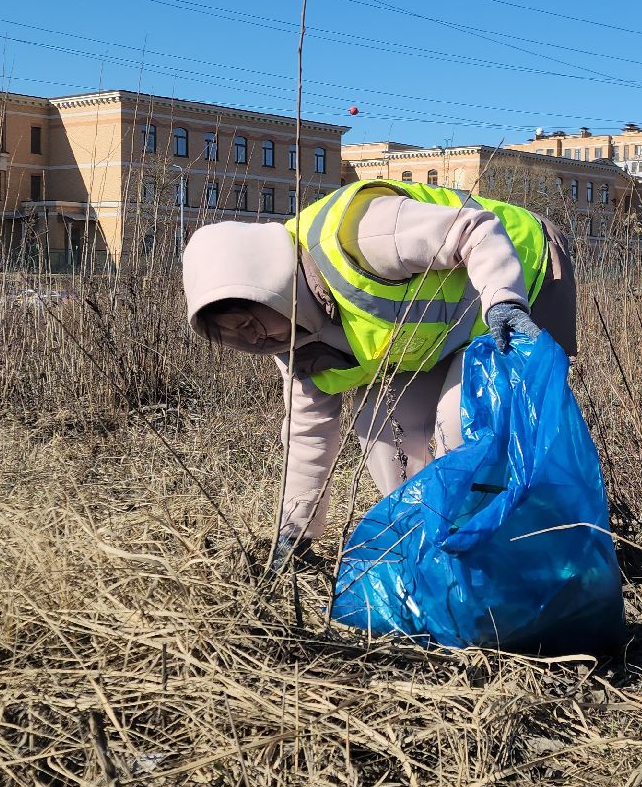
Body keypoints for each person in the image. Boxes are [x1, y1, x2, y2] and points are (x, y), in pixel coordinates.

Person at [182, 177, 577, 572]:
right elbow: (307, 436)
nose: (250, 337)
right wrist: (294, 533)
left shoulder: (357, 234)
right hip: (443, 333)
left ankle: (501, 554)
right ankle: (431, 548)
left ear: (266, 283)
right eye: (231, 334)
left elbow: (475, 229)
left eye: (246, 319)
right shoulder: (298, 351)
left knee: (459, 420)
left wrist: (504, 301)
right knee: (381, 425)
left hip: (524, 277)